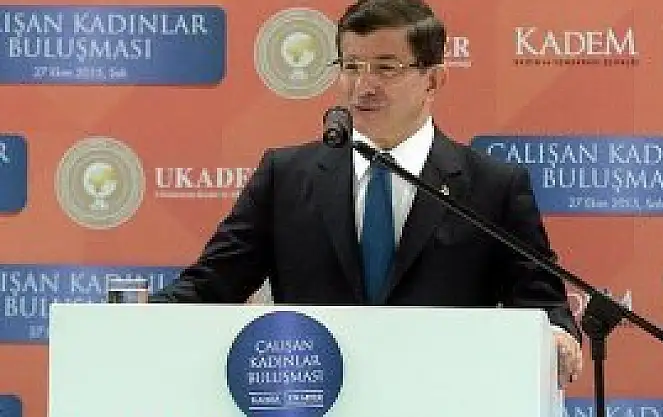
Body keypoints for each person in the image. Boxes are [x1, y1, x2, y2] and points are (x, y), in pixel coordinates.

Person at [150, 0, 583, 385]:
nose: (363, 86)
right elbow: (212, 285)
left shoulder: (492, 186)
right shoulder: (286, 176)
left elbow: (541, 301)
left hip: (443, 394)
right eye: (352, 66)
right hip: (317, 397)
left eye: (385, 68)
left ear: (433, 80)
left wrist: (559, 334)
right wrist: (129, 318)